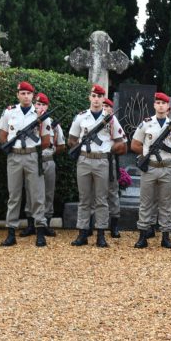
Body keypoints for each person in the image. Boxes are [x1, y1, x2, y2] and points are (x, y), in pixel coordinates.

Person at [68, 84, 126, 247]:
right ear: (89, 97)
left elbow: (121, 143)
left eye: (99, 97)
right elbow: (71, 139)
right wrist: (78, 149)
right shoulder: (81, 117)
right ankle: (82, 233)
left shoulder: (110, 118)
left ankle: (101, 234)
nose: (96, 99)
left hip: (102, 161)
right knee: (84, 198)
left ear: (103, 98)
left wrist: (107, 149)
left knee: (101, 199)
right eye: (93, 96)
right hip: (84, 159)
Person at [131, 91, 171, 248]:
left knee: (166, 203)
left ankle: (165, 236)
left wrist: (169, 153)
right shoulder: (146, 123)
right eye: (158, 103)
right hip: (149, 167)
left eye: (164, 103)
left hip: (166, 168)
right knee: (145, 202)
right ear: (154, 105)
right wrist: (147, 153)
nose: (161, 105)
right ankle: (143, 235)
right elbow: (134, 144)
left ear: (168, 106)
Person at [0, 81, 51, 247]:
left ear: (33, 96)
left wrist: (32, 150)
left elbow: (45, 140)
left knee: (37, 195)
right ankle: (11, 232)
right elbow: (3, 136)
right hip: (14, 156)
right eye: (22, 93)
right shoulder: (9, 112)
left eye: (28, 94)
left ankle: (40, 231)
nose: (25, 96)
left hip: (32, 156)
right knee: (14, 196)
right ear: (18, 95)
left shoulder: (40, 115)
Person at [21, 93, 64, 237]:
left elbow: (61, 145)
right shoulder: (26, 121)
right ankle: (31, 224)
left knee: (48, 193)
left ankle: (46, 224)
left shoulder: (54, 124)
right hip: (31, 160)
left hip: (47, 161)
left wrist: (49, 153)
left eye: (43, 105)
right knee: (30, 192)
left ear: (47, 107)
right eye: (38, 104)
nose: (40, 107)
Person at [103, 98, 123, 238]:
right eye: (102, 106)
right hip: (93, 159)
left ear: (111, 109)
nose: (104, 108)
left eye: (107, 106)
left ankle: (114, 225)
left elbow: (123, 144)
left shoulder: (113, 122)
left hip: (109, 161)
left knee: (112, 192)